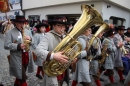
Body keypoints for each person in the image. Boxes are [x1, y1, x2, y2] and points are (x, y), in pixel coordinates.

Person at [34, 16, 70, 86]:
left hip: (63, 69)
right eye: (59, 26)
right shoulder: (48, 36)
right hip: (52, 70)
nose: (62, 28)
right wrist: (53, 55)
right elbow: (38, 51)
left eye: (64, 26)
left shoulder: (65, 36)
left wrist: (71, 58)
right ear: (53, 26)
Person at [4, 15, 35, 86]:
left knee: (19, 75)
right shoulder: (10, 32)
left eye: (23, 23)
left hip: (26, 57)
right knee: (23, 78)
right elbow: (6, 45)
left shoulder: (28, 31)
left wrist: (30, 39)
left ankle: (16, 84)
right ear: (16, 23)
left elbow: (33, 43)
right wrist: (18, 46)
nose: (22, 25)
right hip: (16, 58)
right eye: (20, 23)